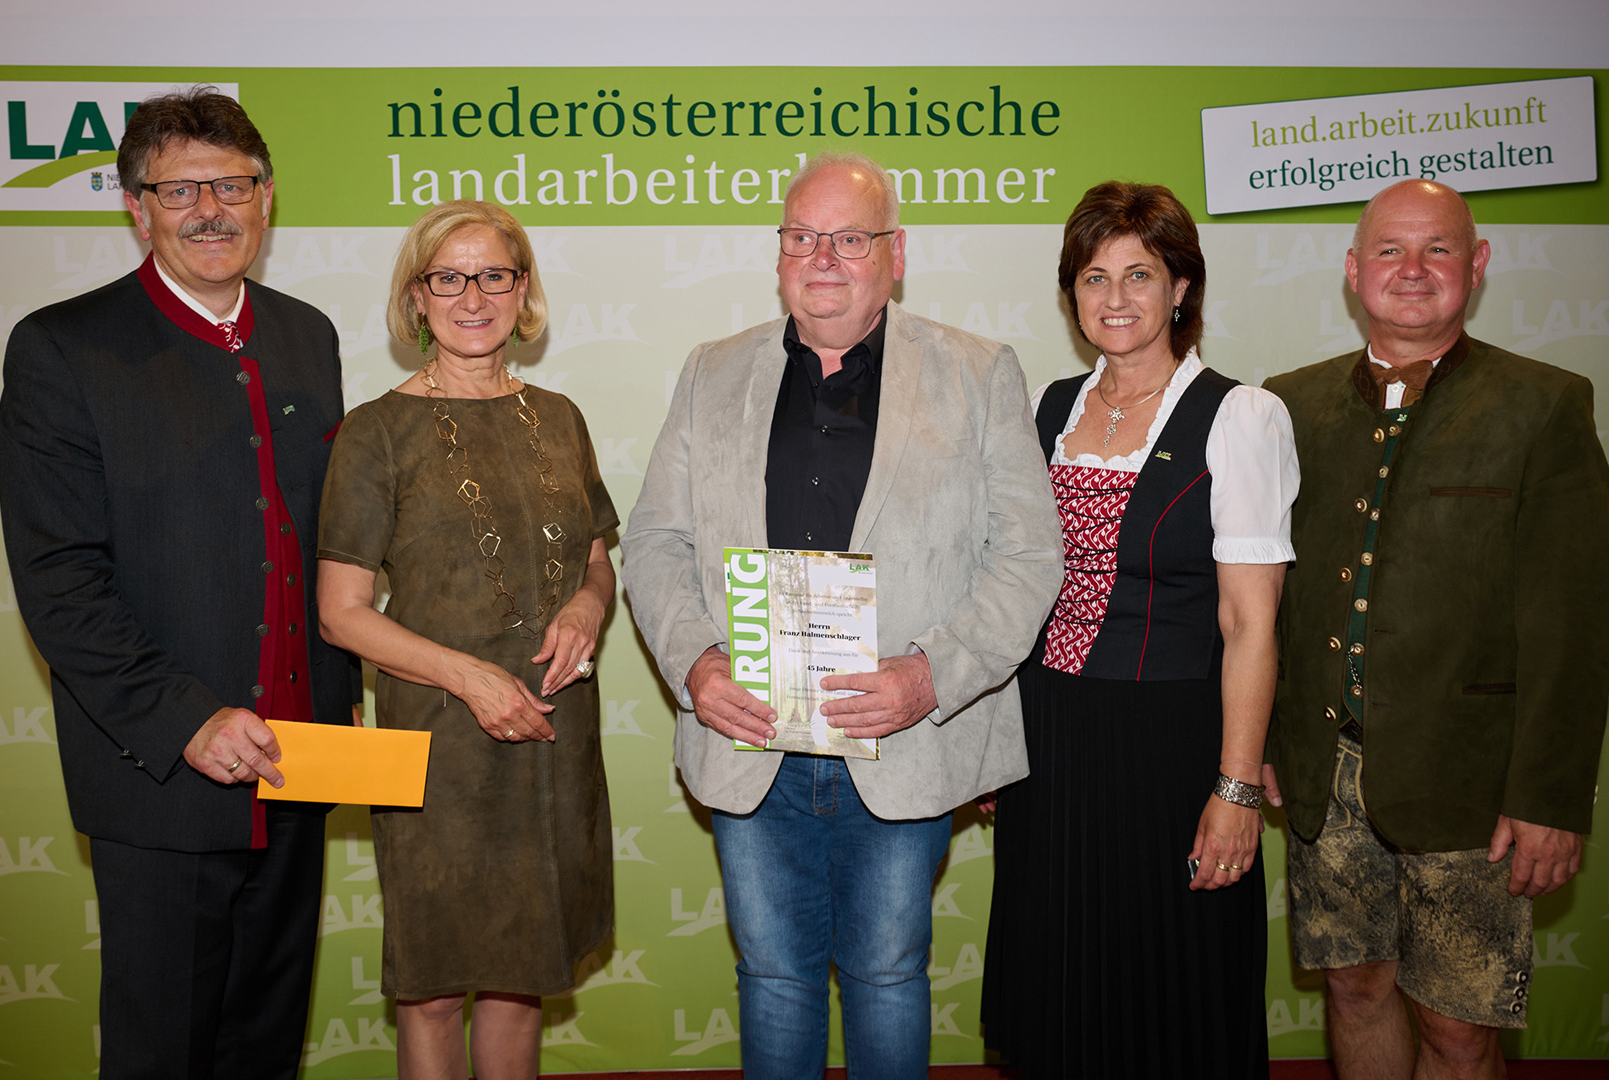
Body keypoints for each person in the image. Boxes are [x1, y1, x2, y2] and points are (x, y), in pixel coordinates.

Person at [621, 151, 1061, 1079]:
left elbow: (1028, 557)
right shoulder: (711, 371)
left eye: (850, 239)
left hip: (901, 738)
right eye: (802, 237)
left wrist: (932, 676)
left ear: (895, 254)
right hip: (752, 738)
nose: (822, 258)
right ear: (778, 251)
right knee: (772, 977)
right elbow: (655, 540)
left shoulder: (978, 371)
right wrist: (697, 664)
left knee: (888, 973)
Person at [0, 87, 358, 1078]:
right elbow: (60, 578)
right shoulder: (63, 348)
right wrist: (185, 719)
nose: (210, 210)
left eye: (232, 186)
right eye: (180, 189)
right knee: (162, 1052)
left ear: (267, 197)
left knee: (266, 1046)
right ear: (135, 205)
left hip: (300, 763)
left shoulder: (308, 334)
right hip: (162, 777)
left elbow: (332, 537)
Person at [1262, 179, 1609, 1080]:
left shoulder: (1544, 404)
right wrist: (1267, 741)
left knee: (1459, 1032)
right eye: (1389, 249)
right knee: (1355, 990)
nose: (1412, 269)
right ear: (1353, 271)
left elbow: (1573, 626)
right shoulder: (1287, 406)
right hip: (1327, 775)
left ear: (1477, 264)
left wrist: (1550, 799)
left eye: (1438, 249)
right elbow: (1273, 598)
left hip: (1473, 787)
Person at [981, 181, 1298, 1078]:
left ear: (1181, 288)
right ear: (1071, 294)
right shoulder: (1046, 408)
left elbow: (1250, 624)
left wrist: (1236, 787)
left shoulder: (1239, 417)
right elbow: (1013, 585)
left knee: (1169, 994)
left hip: (1171, 746)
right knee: (1060, 984)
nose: (1114, 299)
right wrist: (997, 738)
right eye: (1094, 277)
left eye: (1139, 275)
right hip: (1049, 739)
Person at [315, 199, 617, 1080]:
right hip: (440, 744)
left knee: (524, 978)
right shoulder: (376, 430)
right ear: (417, 298)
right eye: (448, 278)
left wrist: (589, 607)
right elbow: (341, 612)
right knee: (436, 986)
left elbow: (597, 561)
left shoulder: (560, 416)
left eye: (493, 275)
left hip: (554, 733)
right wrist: (472, 679)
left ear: (523, 291)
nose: (473, 298)